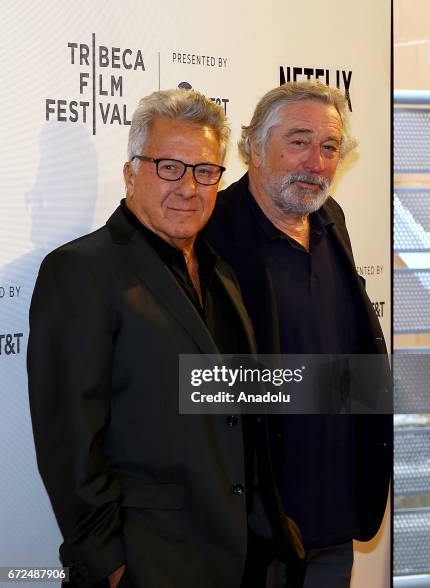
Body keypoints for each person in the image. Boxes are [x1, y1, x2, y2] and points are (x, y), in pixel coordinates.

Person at [27, 88, 304, 588]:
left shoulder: (223, 275)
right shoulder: (81, 271)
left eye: (205, 171)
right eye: (169, 167)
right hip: (151, 562)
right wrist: (111, 564)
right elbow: (69, 442)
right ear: (132, 171)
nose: (189, 187)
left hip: (241, 556)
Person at [204, 80, 392, 588]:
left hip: (335, 519)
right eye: (298, 141)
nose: (316, 163)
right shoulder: (209, 233)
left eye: (329, 147)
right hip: (254, 529)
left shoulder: (331, 220)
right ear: (253, 149)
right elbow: (197, 383)